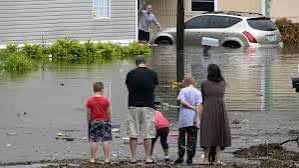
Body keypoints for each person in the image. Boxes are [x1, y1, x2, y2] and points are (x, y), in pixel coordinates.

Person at [125, 55, 159, 164]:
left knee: (133, 133)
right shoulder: (153, 74)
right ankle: (148, 157)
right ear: (146, 62)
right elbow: (154, 88)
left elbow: (128, 88)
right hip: (148, 105)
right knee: (148, 133)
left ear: (136, 63)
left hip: (133, 105)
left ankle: (133, 158)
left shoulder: (130, 74)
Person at [200, 64, 232, 165]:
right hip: (220, 110)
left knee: (207, 134)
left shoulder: (204, 84)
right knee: (219, 133)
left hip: (208, 110)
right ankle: (218, 160)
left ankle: (206, 159)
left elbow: (202, 99)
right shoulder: (223, 83)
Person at [174, 76, 203, 165]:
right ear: (193, 82)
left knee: (182, 138)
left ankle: (181, 156)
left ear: (185, 82)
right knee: (192, 139)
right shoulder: (198, 92)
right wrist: (197, 117)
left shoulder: (183, 90)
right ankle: (190, 157)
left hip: (184, 117)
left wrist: (191, 107)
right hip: (194, 117)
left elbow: (182, 101)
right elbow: (199, 106)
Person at [86, 82, 112, 163]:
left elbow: (88, 113)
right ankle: (106, 158)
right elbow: (108, 112)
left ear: (94, 89)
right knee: (105, 140)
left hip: (94, 121)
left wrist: (89, 122)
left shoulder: (89, 100)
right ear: (102, 90)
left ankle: (93, 158)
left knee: (94, 140)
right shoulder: (105, 100)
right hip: (104, 121)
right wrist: (109, 121)